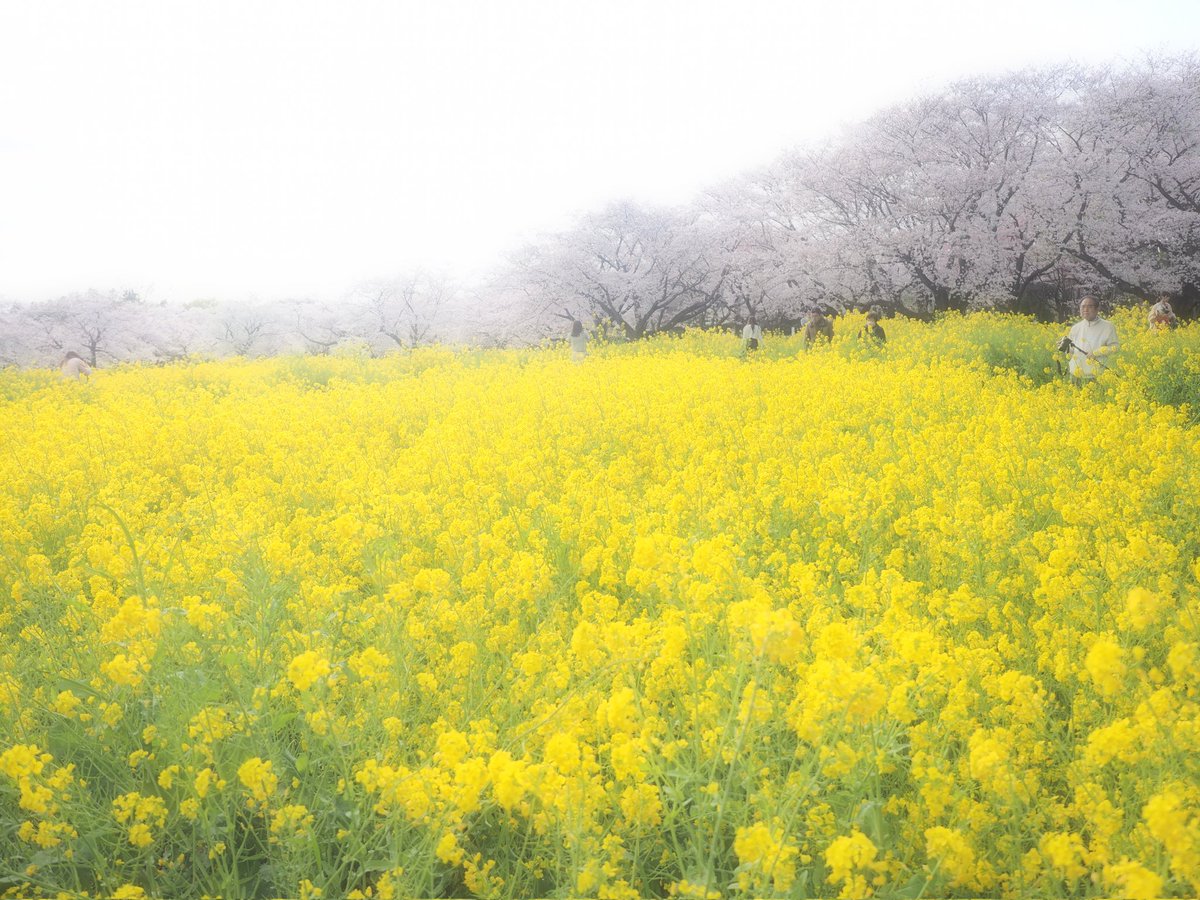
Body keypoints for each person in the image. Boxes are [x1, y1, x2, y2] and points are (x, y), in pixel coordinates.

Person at [1062, 296, 1119, 380]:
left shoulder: (1108, 326)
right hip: (1075, 374)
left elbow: (1115, 347)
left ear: (1097, 309)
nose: (1085, 309)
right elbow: (1072, 351)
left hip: (1097, 374)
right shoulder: (1075, 328)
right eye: (1083, 306)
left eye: (1089, 306)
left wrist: (1095, 353)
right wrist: (1064, 347)